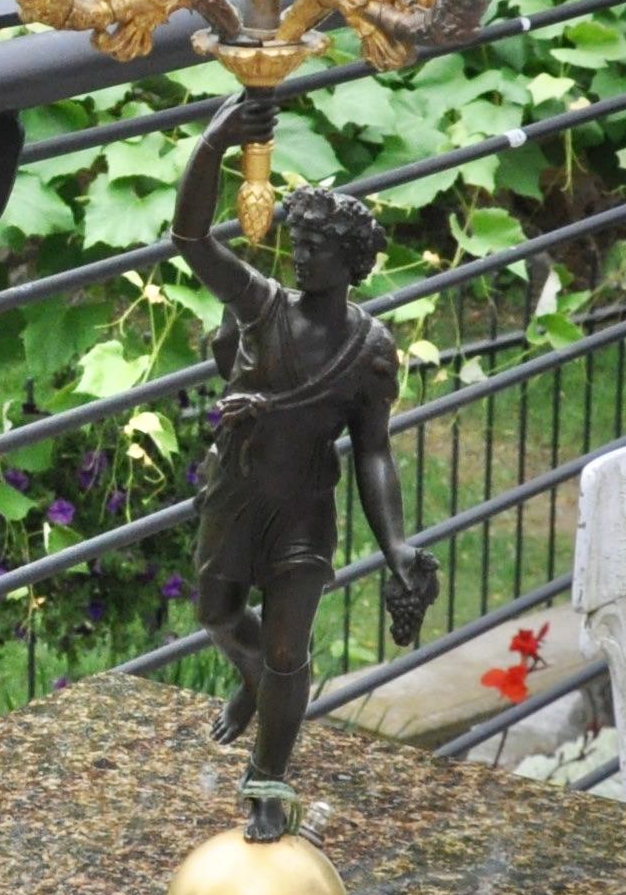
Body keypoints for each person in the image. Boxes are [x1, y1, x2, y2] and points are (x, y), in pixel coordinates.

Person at [176, 96, 436, 819]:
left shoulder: (370, 351)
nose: (300, 252)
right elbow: (190, 237)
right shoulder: (262, 307)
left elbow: (373, 454)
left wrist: (397, 545)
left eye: (317, 246)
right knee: (221, 616)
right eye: (298, 240)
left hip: (303, 512)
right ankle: (258, 683)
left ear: (350, 261)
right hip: (237, 494)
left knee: (289, 649)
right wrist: (215, 144)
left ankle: (268, 780)